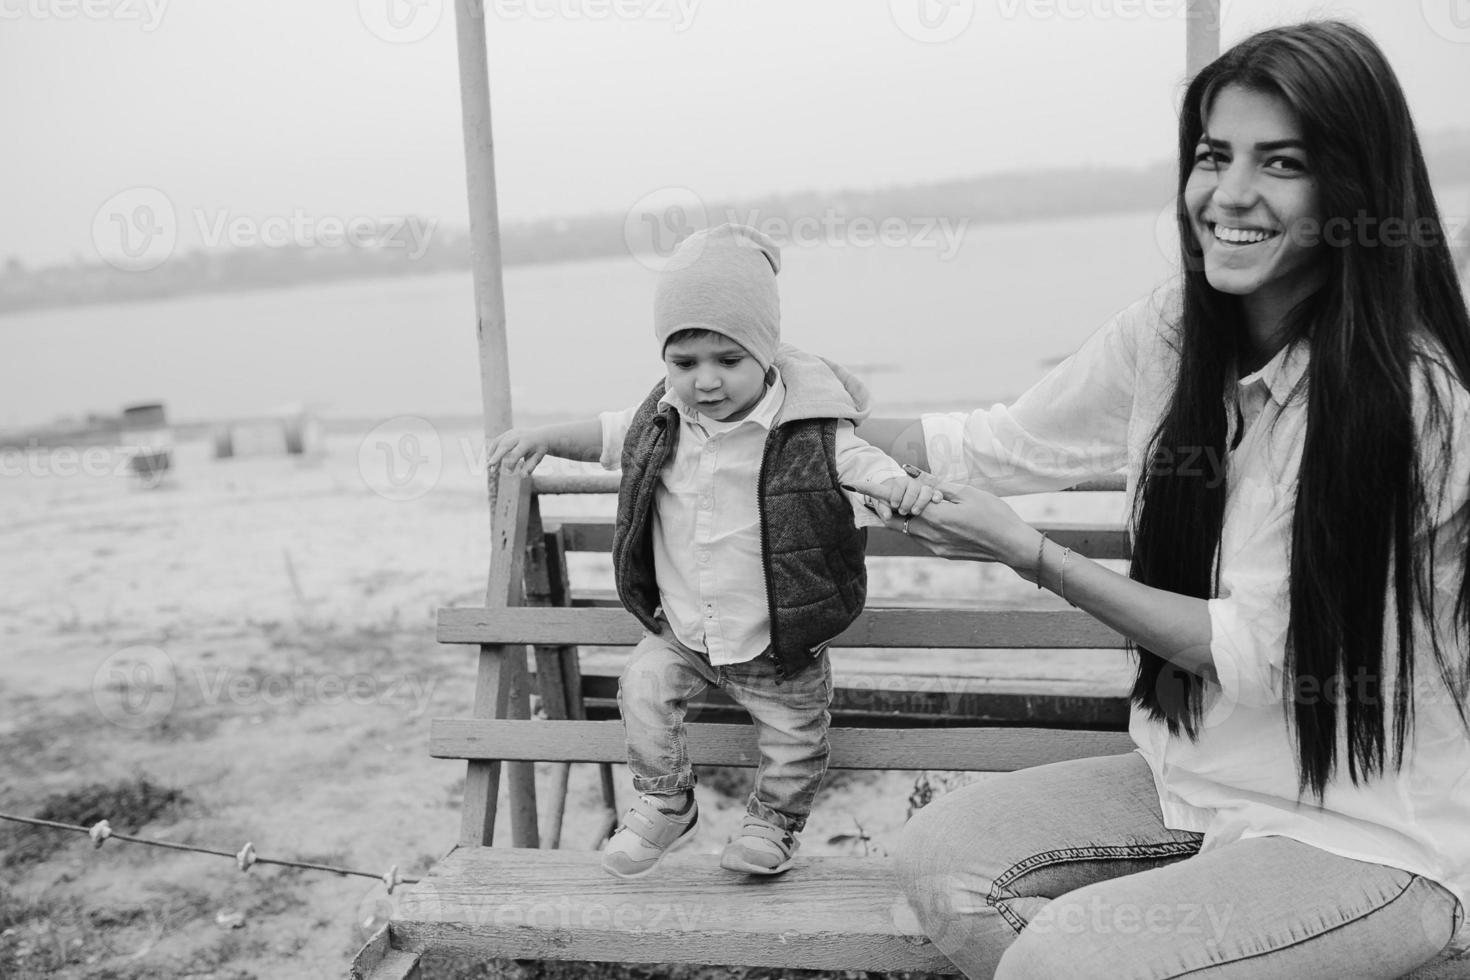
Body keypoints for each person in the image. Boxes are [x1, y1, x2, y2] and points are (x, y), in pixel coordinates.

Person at [850, 20, 1470, 979]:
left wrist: (1035, 558)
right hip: (1192, 782)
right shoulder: (1173, 332)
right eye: (1214, 155)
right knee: (943, 866)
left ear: (1356, 190)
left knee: (1062, 963)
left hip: (1368, 834)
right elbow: (995, 444)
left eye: (1282, 163)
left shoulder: (1409, 402)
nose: (1229, 194)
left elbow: (1260, 655)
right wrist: (802, 409)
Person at [486, 223, 939, 879]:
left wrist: (903, 491)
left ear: (766, 354)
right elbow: (609, 434)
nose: (705, 381)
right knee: (641, 687)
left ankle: (772, 827)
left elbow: (864, 464)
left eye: (728, 361)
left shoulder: (807, 431)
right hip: (685, 632)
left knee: (794, 740)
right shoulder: (661, 420)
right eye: (685, 361)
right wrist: (546, 435)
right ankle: (666, 802)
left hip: (777, 638)